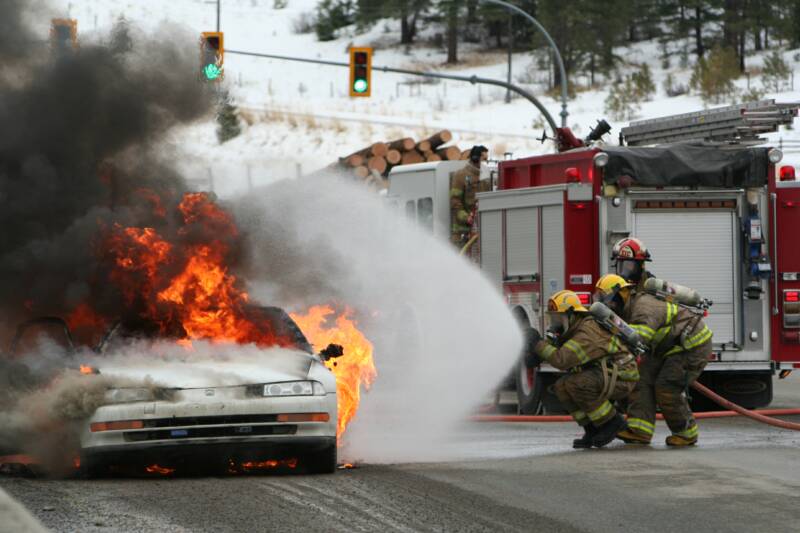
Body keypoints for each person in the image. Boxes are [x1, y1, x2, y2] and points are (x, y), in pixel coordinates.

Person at [595, 273, 713, 447]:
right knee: (640, 378)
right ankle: (640, 430)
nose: (608, 305)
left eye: (609, 299)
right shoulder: (628, 309)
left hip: (691, 347)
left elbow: (640, 337)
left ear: (622, 294)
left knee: (666, 386)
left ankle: (686, 433)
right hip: (669, 348)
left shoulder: (644, 307)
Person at [526, 290, 639, 449]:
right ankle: (591, 429)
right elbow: (557, 351)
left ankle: (613, 422)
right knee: (561, 387)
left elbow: (562, 360)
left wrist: (537, 344)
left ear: (571, 315)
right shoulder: (573, 329)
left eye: (558, 318)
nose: (555, 323)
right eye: (553, 318)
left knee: (576, 383)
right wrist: (536, 356)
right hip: (606, 372)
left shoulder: (586, 332)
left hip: (623, 376)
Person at [449, 145, 489, 247]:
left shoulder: (485, 176)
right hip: (462, 234)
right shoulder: (460, 176)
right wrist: (466, 218)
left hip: (481, 232)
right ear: (475, 158)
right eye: (484, 159)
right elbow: (454, 202)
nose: (486, 163)